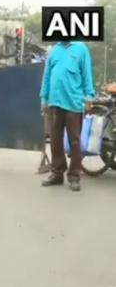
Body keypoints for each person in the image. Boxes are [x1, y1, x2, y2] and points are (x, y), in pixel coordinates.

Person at [40, 41, 95, 191]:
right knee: (55, 140)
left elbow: (86, 74)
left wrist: (89, 96)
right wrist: (44, 98)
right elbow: (47, 76)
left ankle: (74, 176)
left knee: (74, 141)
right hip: (54, 102)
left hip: (74, 103)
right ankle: (57, 173)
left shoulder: (81, 49)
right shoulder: (54, 51)